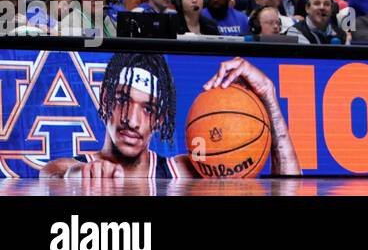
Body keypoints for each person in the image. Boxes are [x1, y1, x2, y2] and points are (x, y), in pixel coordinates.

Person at [40, 51, 301, 180]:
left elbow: (289, 192)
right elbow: (51, 174)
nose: (132, 120)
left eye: (148, 109)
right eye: (122, 101)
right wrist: (79, 176)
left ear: (161, 119)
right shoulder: (72, 166)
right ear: (105, 101)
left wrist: (268, 96)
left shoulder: (184, 172)